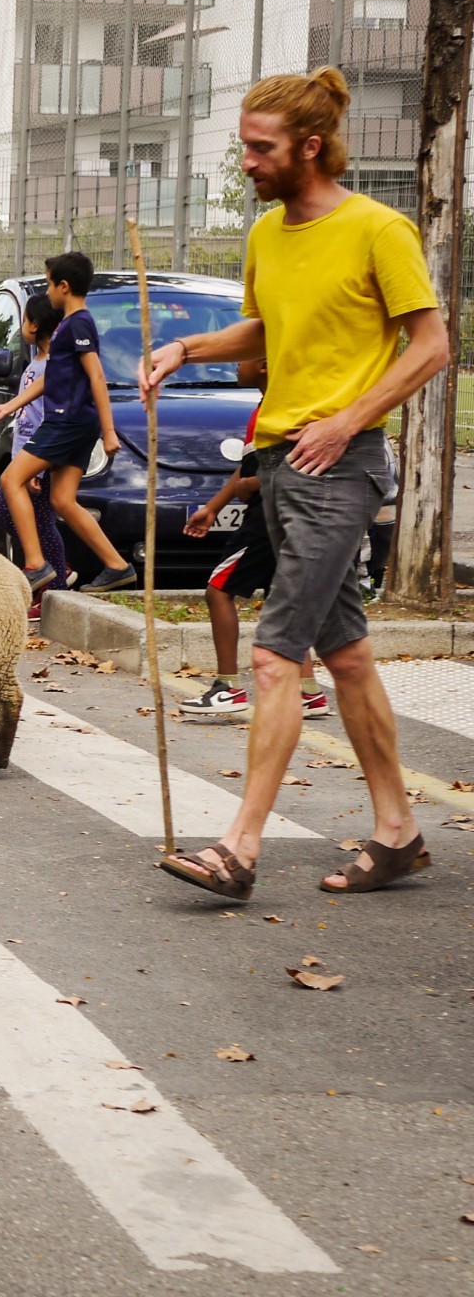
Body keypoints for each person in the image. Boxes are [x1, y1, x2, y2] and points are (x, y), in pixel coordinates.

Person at [145, 66, 448, 901]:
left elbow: (431, 346)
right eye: (244, 145)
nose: (245, 161)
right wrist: (186, 349)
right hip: (279, 462)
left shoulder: (378, 231)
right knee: (346, 656)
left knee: (276, 659)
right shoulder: (268, 236)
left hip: (337, 466)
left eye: (259, 147)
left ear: (310, 147)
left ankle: (239, 849)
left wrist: (348, 420)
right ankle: (399, 831)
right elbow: (267, 327)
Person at [180, 358, 331, 723]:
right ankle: (307, 690)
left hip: (269, 516)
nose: (235, 364)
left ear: (265, 364)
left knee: (218, 589)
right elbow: (248, 466)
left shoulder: (284, 409)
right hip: (269, 512)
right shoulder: (265, 407)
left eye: (243, 357)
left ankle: (227, 686)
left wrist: (255, 485)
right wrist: (214, 506)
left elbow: (295, 465)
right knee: (283, 598)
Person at [0, 252, 136, 597]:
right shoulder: (70, 324)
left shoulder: (78, 323)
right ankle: (117, 565)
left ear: (64, 286)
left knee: (10, 479)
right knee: (63, 500)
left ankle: (36, 564)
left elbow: (95, 375)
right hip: (77, 424)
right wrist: (8, 406)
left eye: (50, 284)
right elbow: (50, 379)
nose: (48, 291)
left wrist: (109, 431)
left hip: (67, 423)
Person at [0, 294, 70, 608]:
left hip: (38, 457)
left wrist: (38, 467)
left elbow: (49, 417)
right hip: (26, 453)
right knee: (2, 512)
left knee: (42, 522)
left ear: (33, 325)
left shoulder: (53, 367)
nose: (22, 326)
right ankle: (59, 570)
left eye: (24, 320)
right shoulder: (37, 359)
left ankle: (55, 588)